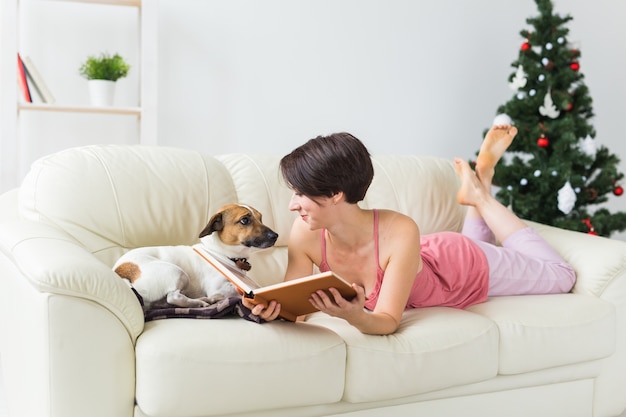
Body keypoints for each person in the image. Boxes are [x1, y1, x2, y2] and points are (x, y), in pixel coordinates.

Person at [241, 126, 576, 335]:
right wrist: (274, 311)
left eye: (301, 194)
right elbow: (294, 306)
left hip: (463, 266)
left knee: (562, 276)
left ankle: (482, 198)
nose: (292, 206)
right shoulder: (305, 233)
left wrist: (356, 317)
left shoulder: (398, 229)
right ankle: (479, 185)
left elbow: (387, 320)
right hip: (423, 257)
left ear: (335, 194)